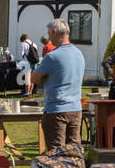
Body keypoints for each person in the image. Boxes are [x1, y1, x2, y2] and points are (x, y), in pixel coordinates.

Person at [30, 19, 85, 150]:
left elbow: (34, 79)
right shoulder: (79, 53)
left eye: (49, 34)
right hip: (76, 108)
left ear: (55, 32)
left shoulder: (52, 56)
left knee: (57, 153)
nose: (48, 38)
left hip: (57, 109)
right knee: (74, 150)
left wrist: (45, 77)